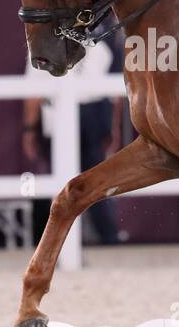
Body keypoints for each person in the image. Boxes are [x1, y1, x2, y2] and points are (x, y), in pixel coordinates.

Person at [22, 29, 125, 244]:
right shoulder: (100, 44)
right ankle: (109, 237)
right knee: (96, 180)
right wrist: (112, 127)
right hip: (92, 114)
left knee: (60, 182)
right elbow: (114, 93)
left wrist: (29, 130)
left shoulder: (43, 45)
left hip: (66, 114)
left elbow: (34, 94)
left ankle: (55, 241)